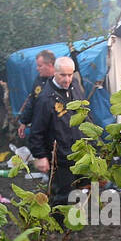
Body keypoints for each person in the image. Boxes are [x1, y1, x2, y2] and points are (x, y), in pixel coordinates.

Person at [29, 56, 88, 206]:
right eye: (63, 75)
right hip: (59, 155)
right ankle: (60, 225)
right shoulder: (45, 98)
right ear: (54, 73)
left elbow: (86, 113)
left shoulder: (74, 86)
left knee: (80, 187)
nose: (67, 79)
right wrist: (40, 156)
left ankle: (74, 220)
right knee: (62, 193)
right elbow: (37, 130)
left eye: (70, 74)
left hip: (78, 149)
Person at [18, 50, 56, 140]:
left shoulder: (61, 82)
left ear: (50, 65)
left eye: (40, 66)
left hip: (56, 130)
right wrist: (24, 122)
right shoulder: (39, 80)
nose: (37, 68)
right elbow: (32, 101)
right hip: (40, 129)